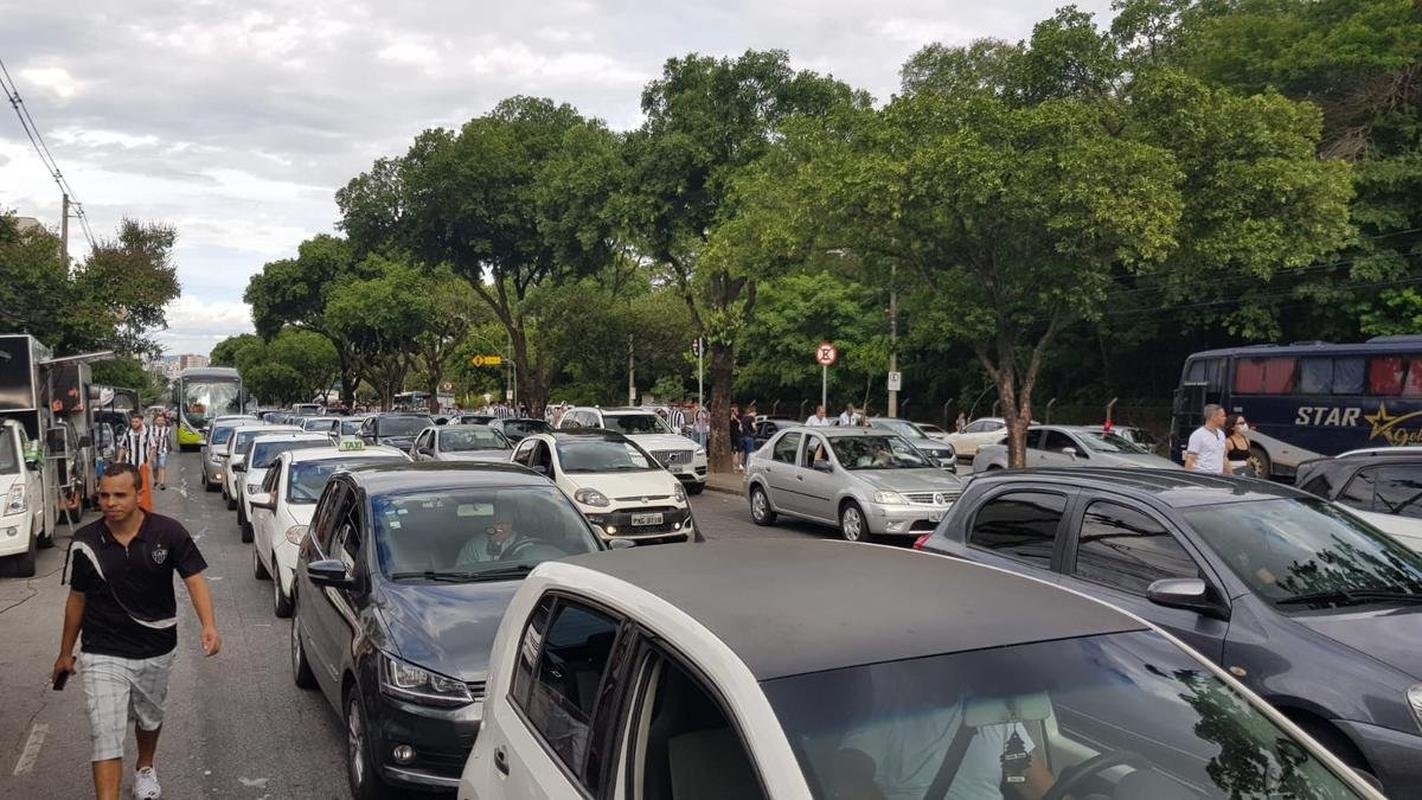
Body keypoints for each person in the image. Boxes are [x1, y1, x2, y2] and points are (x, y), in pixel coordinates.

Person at [53, 464, 220, 800]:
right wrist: (64, 652)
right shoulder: (86, 541)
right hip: (102, 649)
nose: (110, 502)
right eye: (104, 495)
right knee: (105, 732)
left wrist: (209, 625)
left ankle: (145, 767)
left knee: (149, 716)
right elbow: (77, 599)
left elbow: (194, 579)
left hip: (155, 647)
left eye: (119, 495)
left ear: (138, 494)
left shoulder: (168, 533)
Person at [116, 413, 154, 512]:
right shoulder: (127, 433)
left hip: (142, 465)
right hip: (130, 465)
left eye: (136, 421)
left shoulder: (148, 432)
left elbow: (152, 448)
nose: (134, 424)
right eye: (132, 422)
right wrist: (119, 459)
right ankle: (131, 505)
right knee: (130, 484)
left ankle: (143, 506)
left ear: (141, 422)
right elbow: (123, 447)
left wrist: (149, 462)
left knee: (142, 486)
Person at [1184, 404, 1229, 475]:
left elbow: (1224, 457)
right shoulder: (1198, 435)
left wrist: (1230, 474)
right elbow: (1190, 459)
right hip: (1202, 476)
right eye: (1222, 416)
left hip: (1218, 476)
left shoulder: (1221, 434)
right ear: (1213, 417)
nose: (1225, 418)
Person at [149, 414, 171, 491]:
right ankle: (156, 480)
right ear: (155, 421)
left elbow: (168, 439)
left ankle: (162, 483)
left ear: (164, 421)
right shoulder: (151, 429)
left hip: (163, 450)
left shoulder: (167, 429)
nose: (160, 422)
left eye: (162, 420)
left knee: (162, 466)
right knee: (155, 467)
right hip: (153, 451)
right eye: (158, 420)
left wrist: (168, 449)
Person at [729, 405, 743, 471]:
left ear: (736, 409)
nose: (733, 410)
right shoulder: (730, 415)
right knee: (731, 449)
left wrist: (736, 418)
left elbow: (740, 422)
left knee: (740, 449)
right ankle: (732, 464)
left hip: (738, 434)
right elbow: (730, 421)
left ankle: (739, 464)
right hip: (731, 434)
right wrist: (732, 415)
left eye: (733, 409)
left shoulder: (740, 415)